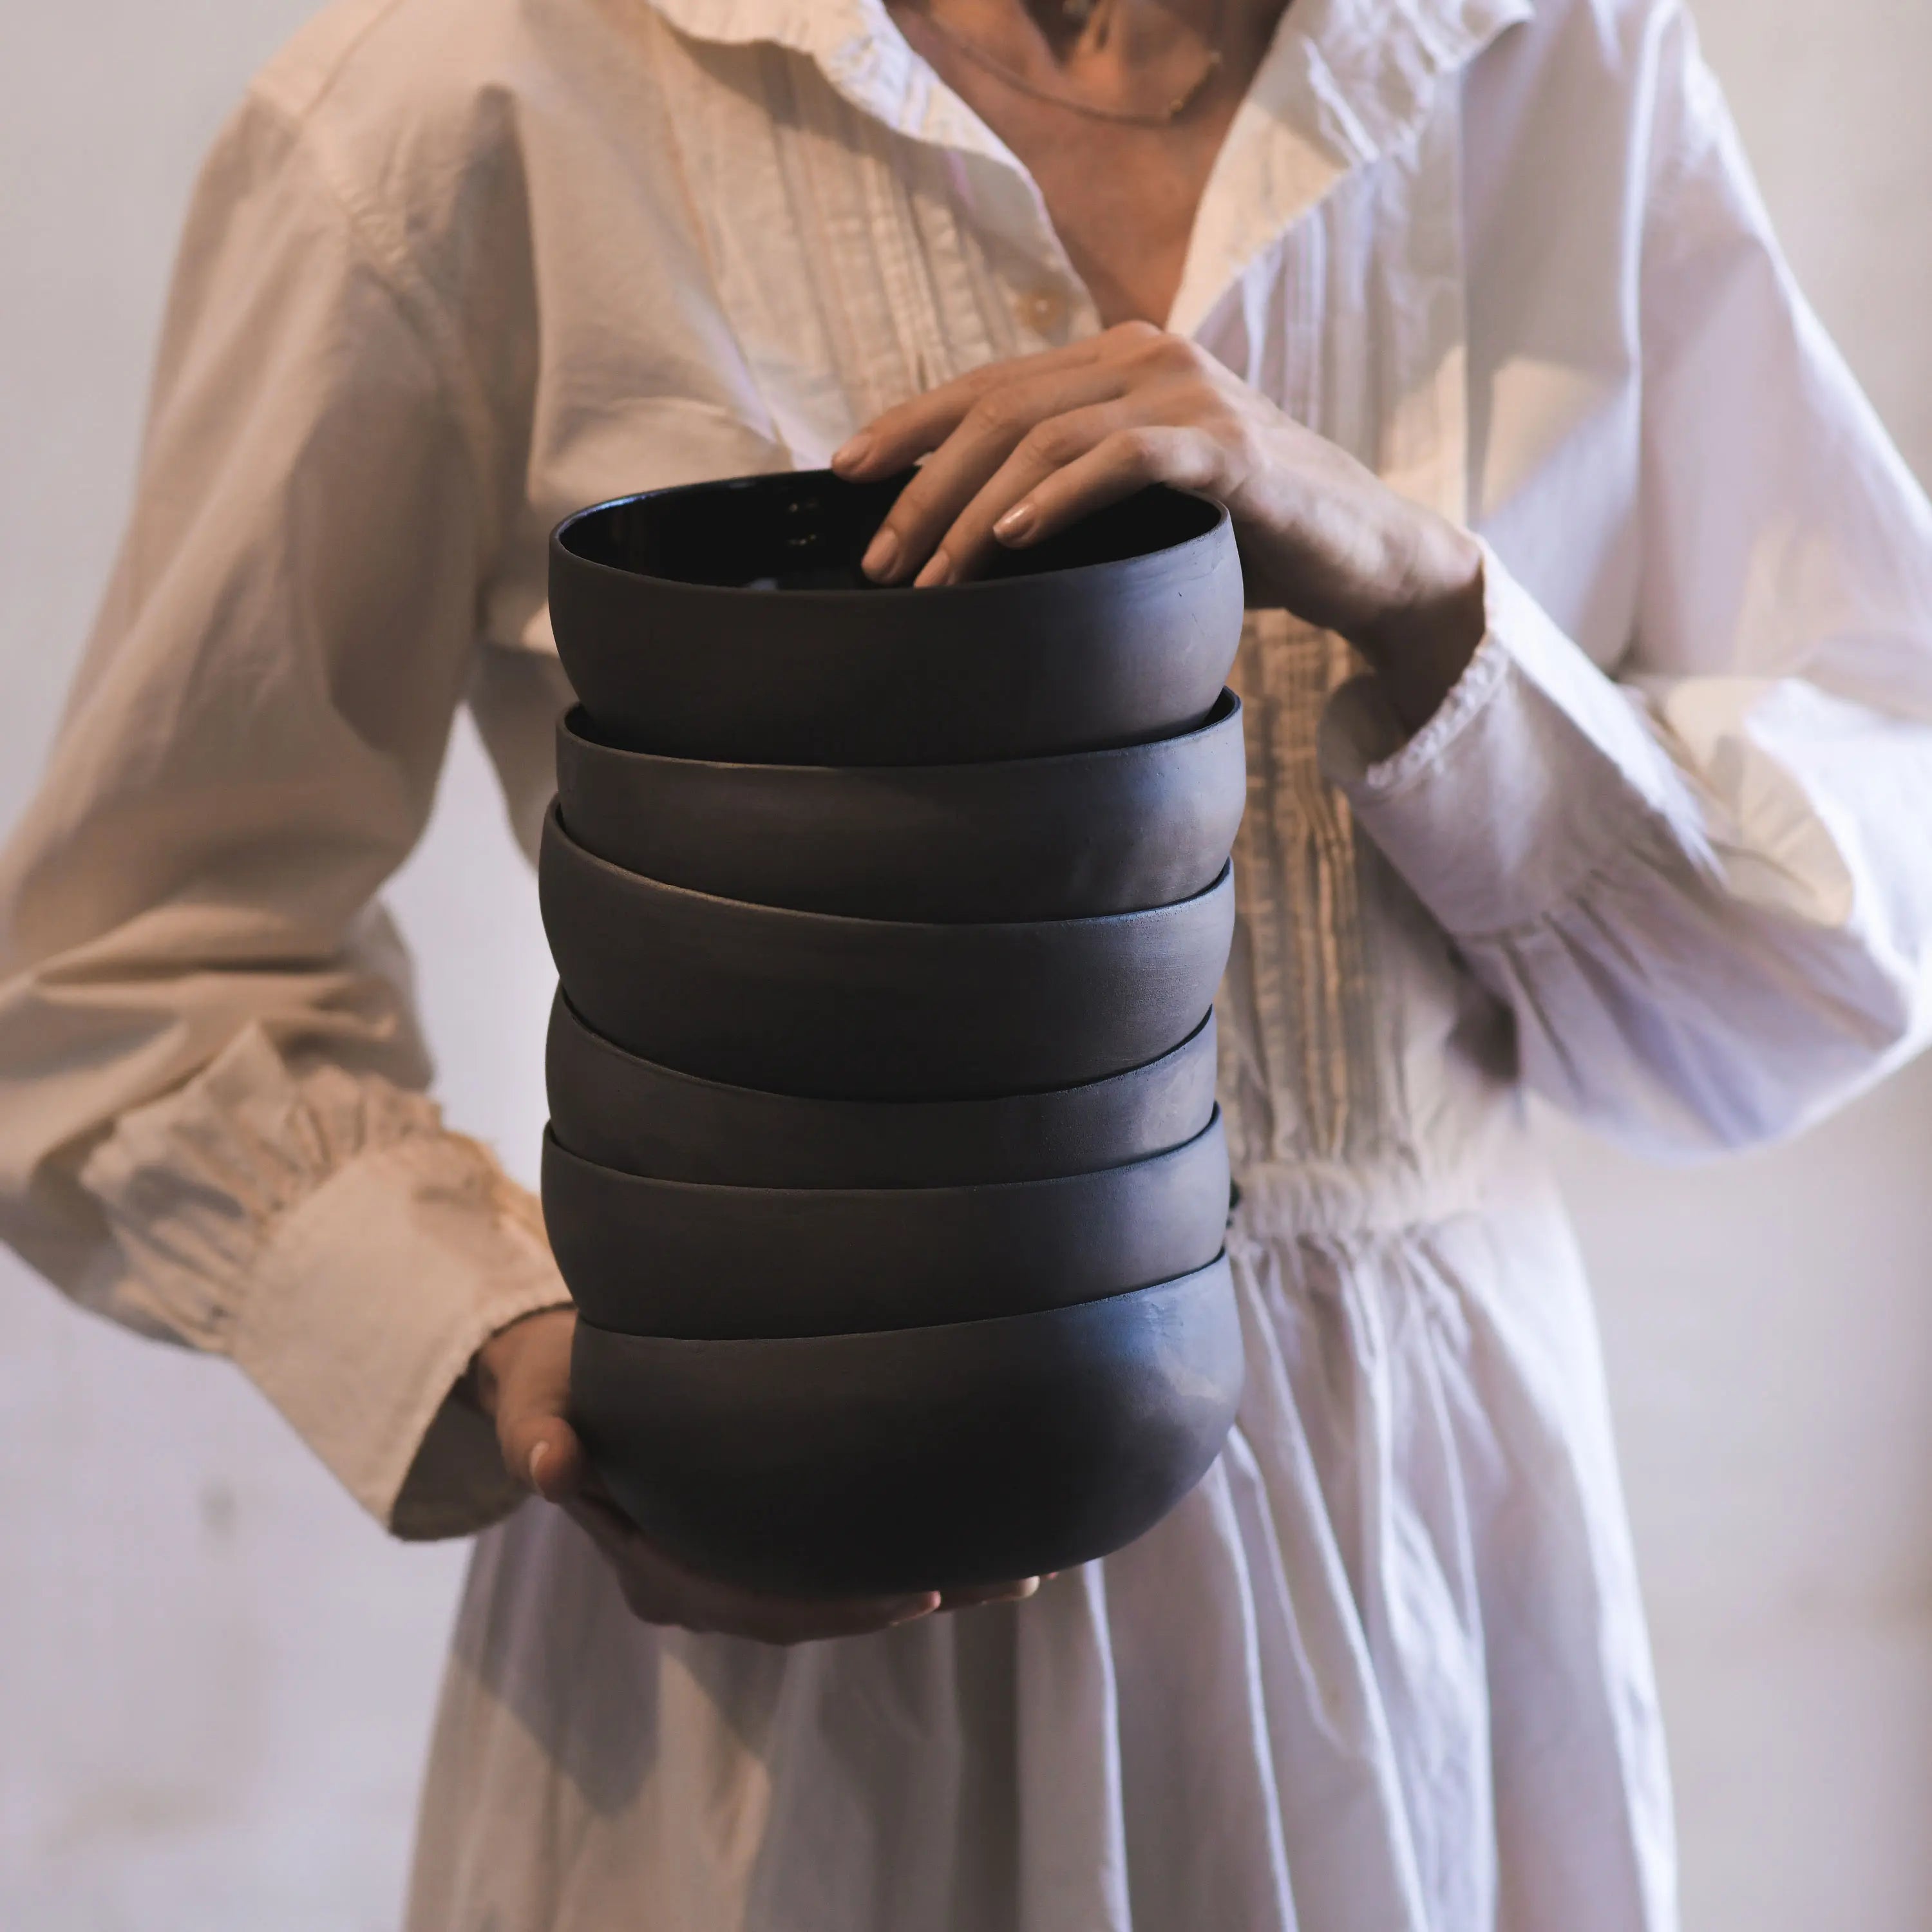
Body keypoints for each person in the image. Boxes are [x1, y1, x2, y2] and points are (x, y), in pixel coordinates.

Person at [5, 0, 1931, 1921]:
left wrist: (1419, 593)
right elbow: (124, 973)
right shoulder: (471, 99)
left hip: (1428, 1597)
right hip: (780, 1657)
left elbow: (1803, 977)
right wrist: (520, 1367)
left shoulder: (1552, 62)